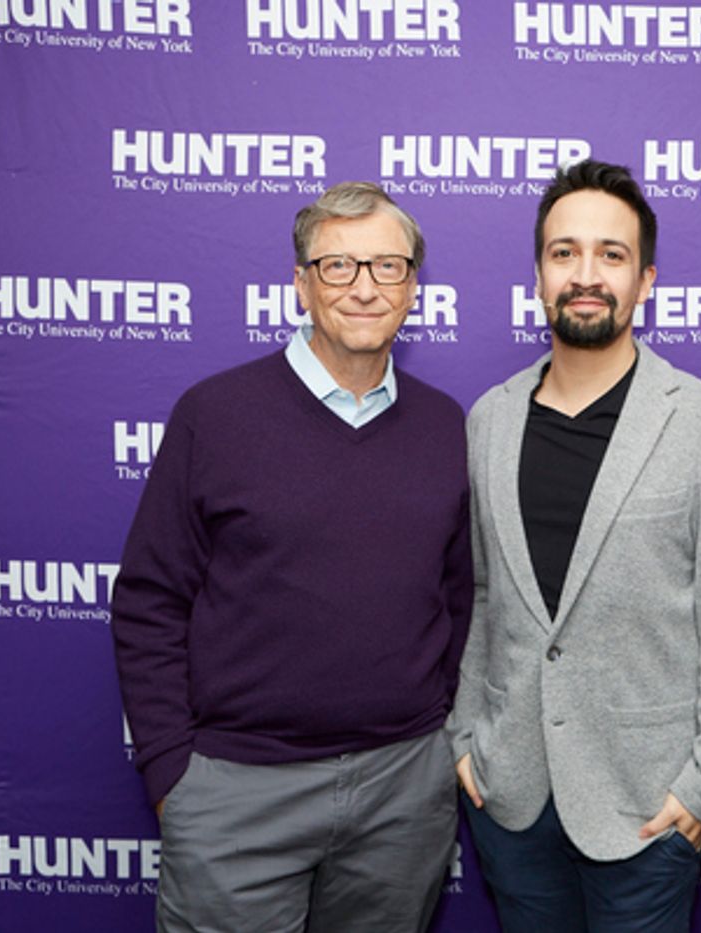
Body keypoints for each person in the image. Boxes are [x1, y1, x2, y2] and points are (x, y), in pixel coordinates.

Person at [111, 182, 472, 932]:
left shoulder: (444, 425)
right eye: (338, 266)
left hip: (402, 792)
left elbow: (457, 595)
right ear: (301, 283)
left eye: (388, 266)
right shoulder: (214, 415)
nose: (365, 287)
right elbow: (149, 599)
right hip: (238, 791)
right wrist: (173, 771)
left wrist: (431, 735)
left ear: (413, 287)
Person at [447, 159, 701, 932]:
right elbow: (485, 594)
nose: (586, 274)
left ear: (646, 279)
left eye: (611, 255)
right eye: (565, 253)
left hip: (646, 808)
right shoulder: (489, 419)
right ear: (538, 274)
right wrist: (465, 736)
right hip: (512, 795)